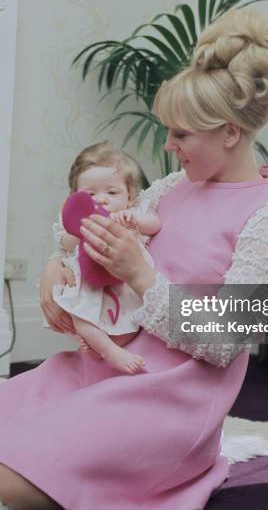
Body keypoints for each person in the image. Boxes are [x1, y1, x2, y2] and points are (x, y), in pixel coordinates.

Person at [0, 7, 268, 510]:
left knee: (16, 483)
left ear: (229, 132)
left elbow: (228, 340)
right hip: (111, 363)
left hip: (174, 398)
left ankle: (179, 468)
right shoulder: (173, 189)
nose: (168, 146)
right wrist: (57, 264)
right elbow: (92, 229)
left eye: (181, 134)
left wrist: (141, 274)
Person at [49, 141, 161, 374]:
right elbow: (65, 242)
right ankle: (107, 349)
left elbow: (155, 225)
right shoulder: (81, 219)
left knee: (133, 318)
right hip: (89, 281)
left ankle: (110, 345)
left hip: (126, 282)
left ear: (129, 196)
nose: (101, 199)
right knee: (80, 315)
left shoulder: (132, 214)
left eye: (112, 192)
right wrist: (80, 229)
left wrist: (136, 221)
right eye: (91, 194)